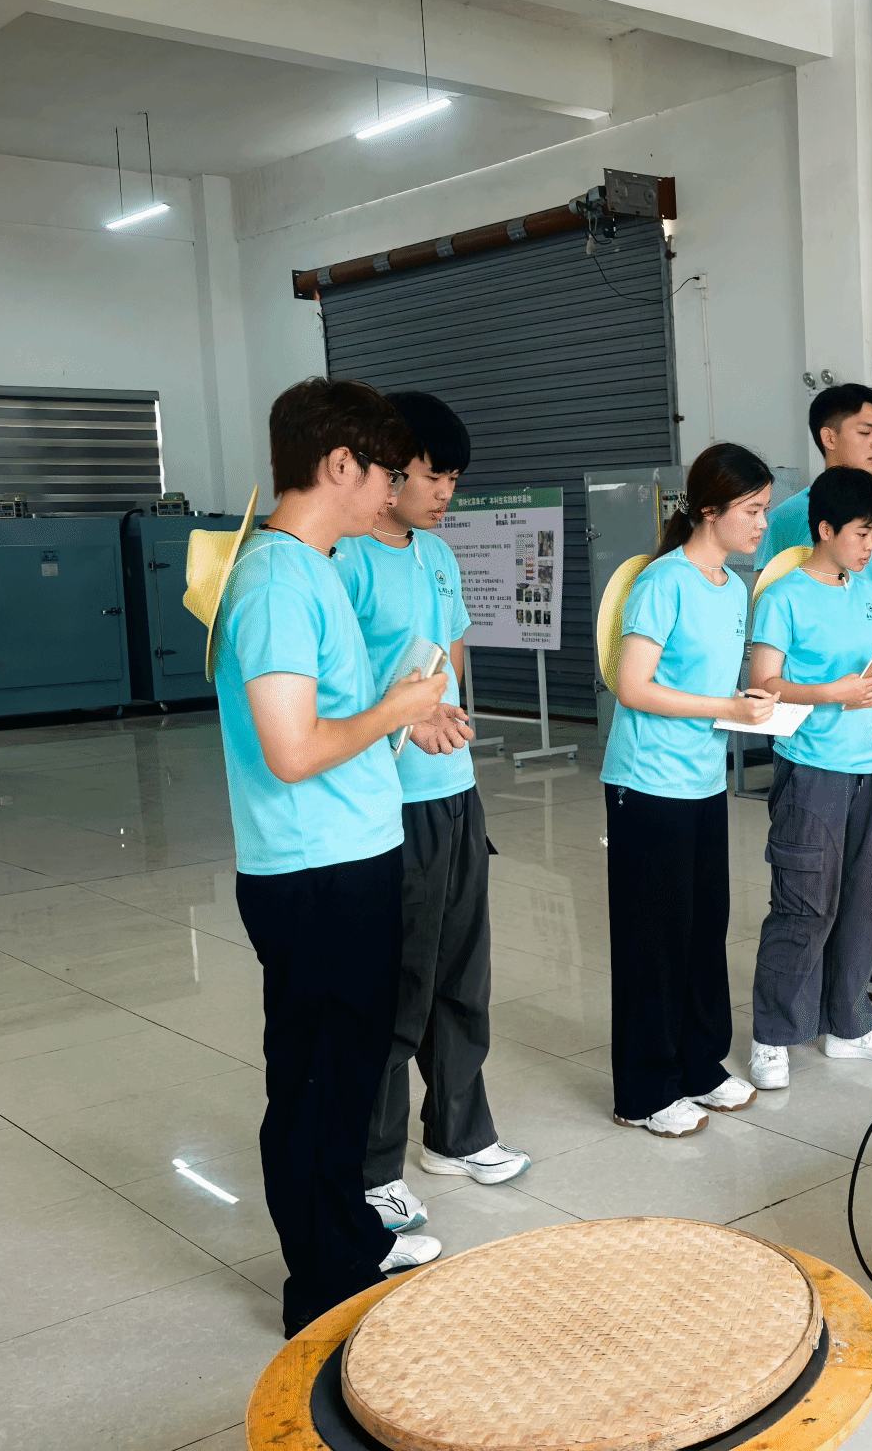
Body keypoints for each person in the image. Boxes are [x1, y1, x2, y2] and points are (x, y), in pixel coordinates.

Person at [202, 378, 451, 1336]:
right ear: (341, 464)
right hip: (313, 873)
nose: (393, 491)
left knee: (349, 1071)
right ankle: (320, 1282)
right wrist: (396, 709)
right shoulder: (275, 581)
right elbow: (292, 749)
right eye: (387, 472)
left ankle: (350, 1233)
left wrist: (404, 716)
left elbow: (328, 720)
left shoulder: (316, 567)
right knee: (313, 1081)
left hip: (356, 852)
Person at [334, 391, 527, 1237]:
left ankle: (458, 1132)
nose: (445, 492)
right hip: (388, 804)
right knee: (397, 992)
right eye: (429, 475)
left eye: (454, 478)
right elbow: (335, 690)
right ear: (385, 470)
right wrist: (402, 718)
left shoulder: (439, 556)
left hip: (453, 791)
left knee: (461, 976)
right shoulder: (342, 560)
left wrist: (443, 713)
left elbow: (450, 659)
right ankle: (375, 1168)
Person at [603, 443, 779, 1136]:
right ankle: (644, 1090)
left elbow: (702, 682)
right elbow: (633, 686)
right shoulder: (663, 581)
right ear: (710, 510)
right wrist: (725, 708)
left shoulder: (732, 587)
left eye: (765, 510)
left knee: (705, 928)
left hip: (702, 780)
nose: (762, 523)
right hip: (648, 783)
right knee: (655, 939)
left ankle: (701, 1066)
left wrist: (744, 704)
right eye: (752, 510)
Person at [754, 383, 872, 1019]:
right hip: (812, 728)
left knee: (870, 867)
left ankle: (867, 987)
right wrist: (828, 690)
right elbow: (772, 627)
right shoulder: (785, 524)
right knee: (809, 877)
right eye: (865, 430)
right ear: (828, 437)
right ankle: (789, 1017)